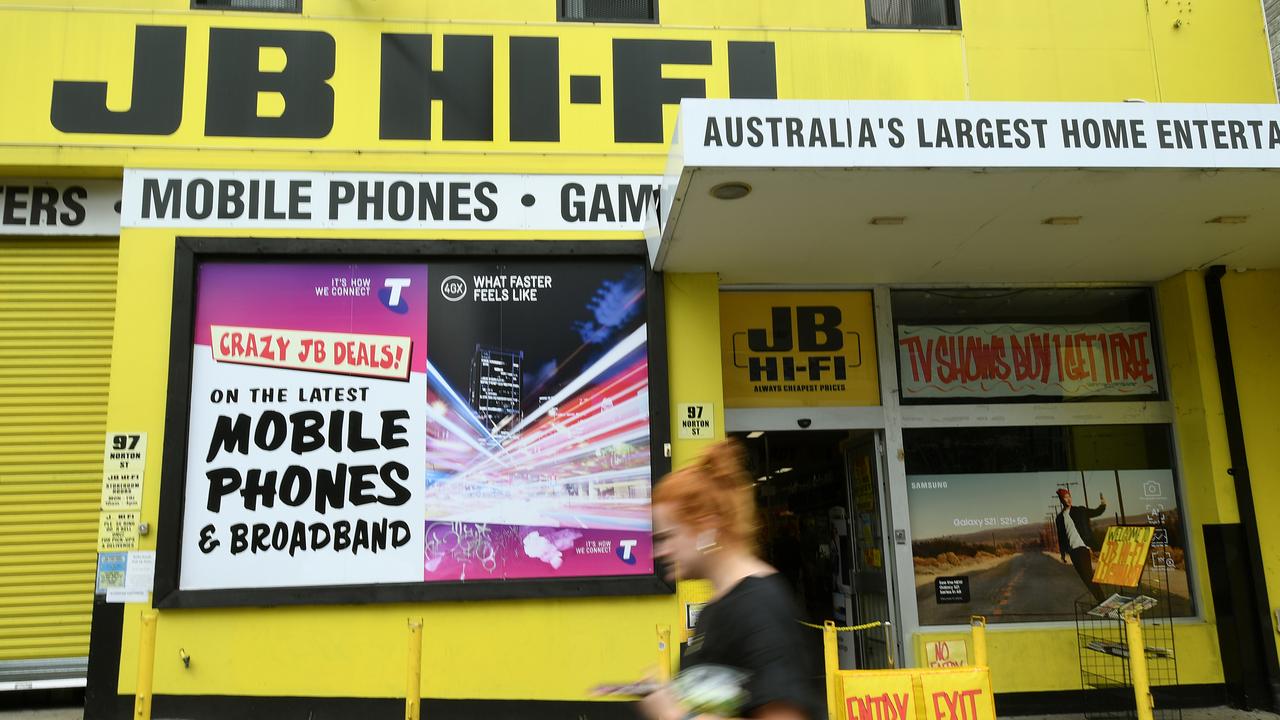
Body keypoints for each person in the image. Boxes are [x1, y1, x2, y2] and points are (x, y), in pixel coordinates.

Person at [639, 440, 826, 720]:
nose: (659, 551)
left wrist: (675, 716)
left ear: (707, 526)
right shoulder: (716, 609)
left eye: (667, 537)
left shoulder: (759, 607)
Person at [1054, 488, 1107, 602]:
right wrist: (1063, 554)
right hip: (1073, 551)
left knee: (1088, 577)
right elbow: (1061, 537)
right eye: (1065, 498)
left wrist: (1103, 504)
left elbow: (1096, 512)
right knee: (1085, 578)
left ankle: (1102, 601)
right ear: (1061, 500)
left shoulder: (1080, 511)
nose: (1068, 499)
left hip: (1083, 547)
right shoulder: (1059, 518)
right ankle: (1101, 600)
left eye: (1069, 497)